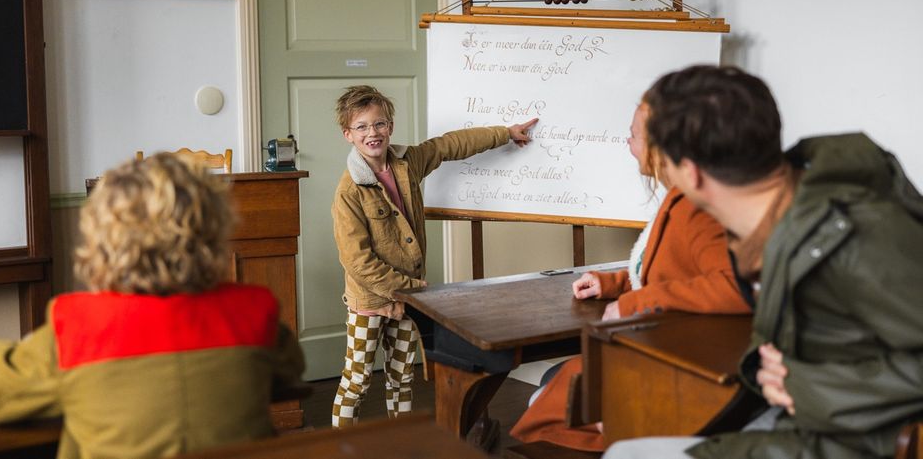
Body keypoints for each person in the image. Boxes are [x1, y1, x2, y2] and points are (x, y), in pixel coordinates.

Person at [605, 65, 923, 459]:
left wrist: (804, 386)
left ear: (689, 172)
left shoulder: (860, 234)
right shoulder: (781, 219)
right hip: (797, 423)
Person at [0, 153, 305, 459]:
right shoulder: (252, 310)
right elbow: (289, 368)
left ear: (101, 240)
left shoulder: (78, 326)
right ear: (214, 233)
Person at [509, 100, 751, 452]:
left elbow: (736, 288)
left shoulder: (699, 210)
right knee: (557, 389)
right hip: (655, 352)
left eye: (633, 134)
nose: (627, 142)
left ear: (661, 145)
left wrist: (637, 300)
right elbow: (674, 271)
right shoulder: (677, 198)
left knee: (551, 402)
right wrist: (616, 283)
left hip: (674, 368)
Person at [330, 85, 537, 428]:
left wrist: (504, 133)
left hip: (407, 299)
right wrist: (409, 289)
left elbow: (450, 145)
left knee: (402, 377)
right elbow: (357, 260)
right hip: (371, 300)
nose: (373, 133)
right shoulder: (349, 191)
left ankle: (404, 444)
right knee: (357, 381)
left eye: (379, 124)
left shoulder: (406, 163)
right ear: (348, 135)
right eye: (363, 127)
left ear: (390, 127)